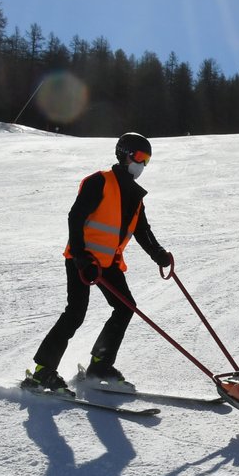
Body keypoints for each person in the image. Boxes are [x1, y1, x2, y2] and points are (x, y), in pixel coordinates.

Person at [25, 132, 173, 393]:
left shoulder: (135, 195)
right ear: (123, 154)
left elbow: (143, 231)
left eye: (146, 159)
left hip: (109, 263)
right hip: (83, 260)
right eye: (139, 156)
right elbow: (76, 217)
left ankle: (100, 364)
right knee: (75, 313)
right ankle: (42, 372)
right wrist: (81, 257)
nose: (142, 164)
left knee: (125, 307)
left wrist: (158, 253)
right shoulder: (99, 182)